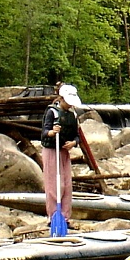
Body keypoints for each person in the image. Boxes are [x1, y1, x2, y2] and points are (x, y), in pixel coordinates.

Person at [40, 83, 82, 228]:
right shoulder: (52, 112)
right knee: (54, 184)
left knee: (67, 185)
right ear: (62, 99)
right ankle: (53, 216)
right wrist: (52, 132)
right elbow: (44, 132)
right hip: (52, 150)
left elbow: (77, 136)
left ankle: (65, 217)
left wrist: (73, 143)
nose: (70, 106)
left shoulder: (73, 115)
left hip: (64, 151)